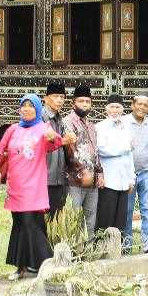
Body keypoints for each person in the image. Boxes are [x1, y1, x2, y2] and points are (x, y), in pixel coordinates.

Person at [0, 94, 67, 280]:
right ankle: (21, 267)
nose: (26, 109)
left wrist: (53, 136)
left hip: (34, 187)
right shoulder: (13, 129)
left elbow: (56, 143)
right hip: (15, 187)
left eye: (31, 106)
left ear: (38, 109)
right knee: (19, 226)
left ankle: (49, 265)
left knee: (31, 224)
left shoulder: (43, 128)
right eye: (23, 106)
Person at [123, 94, 148, 253]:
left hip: (146, 172)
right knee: (127, 210)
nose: (142, 107)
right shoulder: (123, 122)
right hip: (127, 173)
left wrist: (143, 157)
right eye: (139, 104)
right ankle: (126, 245)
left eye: (146, 105)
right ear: (132, 105)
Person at [62, 85, 99, 236]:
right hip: (74, 181)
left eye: (87, 101)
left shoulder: (91, 126)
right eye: (81, 101)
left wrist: (99, 173)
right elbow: (70, 152)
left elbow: (95, 151)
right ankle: (73, 255)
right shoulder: (67, 122)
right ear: (73, 104)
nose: (84, 104)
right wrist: (82, 172)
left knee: (90, 220)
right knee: (74, 219)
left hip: (92, 182)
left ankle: (88, 254)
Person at [95, 95, 135, 233]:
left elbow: (130, 156)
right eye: (112, 107)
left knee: (120, 222)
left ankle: (118, 251)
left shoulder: (126, 128)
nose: (115, 110)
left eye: (118, 107)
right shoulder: (100, 127)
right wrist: (124, 147)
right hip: (108, 182)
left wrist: (132, 179)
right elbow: (102, 150)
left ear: (122, 110)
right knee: (106, 220)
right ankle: (102, 251)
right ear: (106, 109)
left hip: (124, 182)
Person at [42, 82, 72, 216]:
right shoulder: (40, 117)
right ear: (46, 98)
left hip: (59, 177)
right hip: (43, 177)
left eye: (62, 97)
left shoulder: (60, 119)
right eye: (55, 96)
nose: (59, 100)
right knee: (42, 219)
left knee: (56, 219)